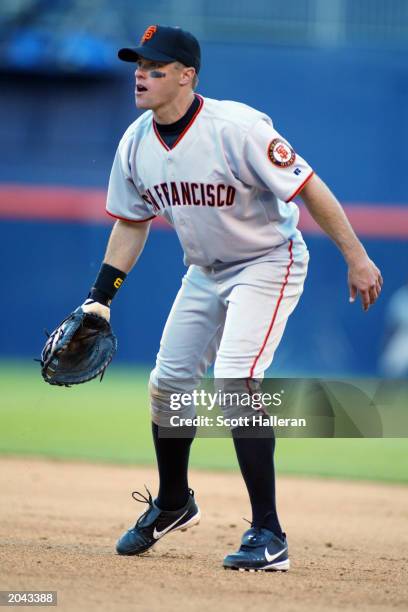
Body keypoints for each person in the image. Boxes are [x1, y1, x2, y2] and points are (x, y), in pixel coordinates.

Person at [82, 25, 383, 572]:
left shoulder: (236, 127)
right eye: (137, 64)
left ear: (186, 76)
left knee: (235, 376)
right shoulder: (135, 142)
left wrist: (357, 257)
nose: (140, 75)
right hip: (204, 271)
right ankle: (174, 502)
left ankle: (269, 534)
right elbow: (132, 223)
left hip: (269, 261)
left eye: (154, 66)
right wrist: (100, 297)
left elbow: (309, 184)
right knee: (168, 383)